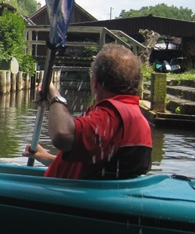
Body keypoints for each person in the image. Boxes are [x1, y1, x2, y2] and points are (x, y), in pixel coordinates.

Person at [23, 43, 152, 179]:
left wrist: (55, 97)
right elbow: (97, 164)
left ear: (95, 81)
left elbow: (61, 135)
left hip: (62, 197)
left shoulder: (109, 117)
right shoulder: (137, 118)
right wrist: (47, 158)